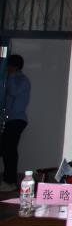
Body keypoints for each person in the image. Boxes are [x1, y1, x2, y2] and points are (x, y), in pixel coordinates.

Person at [0, 54, 31, 191]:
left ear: (14, 66)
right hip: (11, 120)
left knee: (10, 151)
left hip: (17, 120)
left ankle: (10, 182)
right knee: (7, 150)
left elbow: (13, 92)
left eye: (9, 66)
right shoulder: (13, 78)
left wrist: (11, 76)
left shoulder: (22, 80)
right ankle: (9, 181)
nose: (7, 68)